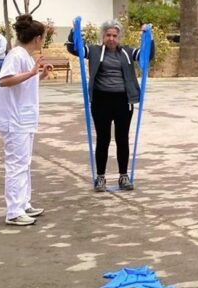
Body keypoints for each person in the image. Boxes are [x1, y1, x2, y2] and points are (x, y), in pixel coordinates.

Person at [65, 20, 153, 192]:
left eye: (114, 35)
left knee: (122, 139)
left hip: (123, 100)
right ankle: (100, 177)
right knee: (103, 139)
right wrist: (73, 32)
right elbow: (74, 48)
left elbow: (146, 55)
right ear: (103, 36)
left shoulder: (127, 52)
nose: (111, 39)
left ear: (119, 37)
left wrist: (148, 36)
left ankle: (123, 176)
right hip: (101, 100)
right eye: (108, 35)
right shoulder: (95, 51)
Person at [0, 15, 51, 226]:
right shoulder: (16, 54)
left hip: (24, 119)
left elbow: (24, 83)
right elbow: (4, 81)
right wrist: (32, 72)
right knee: (16, 164)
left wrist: (39, 75)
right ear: (37, 38)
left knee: (24, 163)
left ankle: (24, 203)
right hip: (14, 120)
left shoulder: (25, 55)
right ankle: (13, 211)